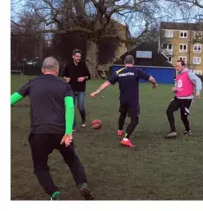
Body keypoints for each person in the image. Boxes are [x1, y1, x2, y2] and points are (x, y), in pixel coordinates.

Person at [10, 57, 94, 200]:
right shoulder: (64, 86)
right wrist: (68, 132)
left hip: (39, 134)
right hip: (60, 132)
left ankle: (55, 194)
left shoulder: (32, 83)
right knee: (73, 160)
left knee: (40, 167)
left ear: (43, 70)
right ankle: (82, 185)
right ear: (57, 70)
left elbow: (11, 100)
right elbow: (69, 108)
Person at [90, 54, 158, 148]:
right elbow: (151, 78)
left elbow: (107, 83)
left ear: (124, 63)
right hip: (132, 101)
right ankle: (126, 139)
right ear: (133, 62)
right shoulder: (137, 70)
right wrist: (154, 84)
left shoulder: (119, 72)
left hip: (123, 99)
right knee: (135, 120)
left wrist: (97, 91)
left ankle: (120, 130)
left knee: (123, 114)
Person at [165, 59, 202, 138]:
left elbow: (198, 80)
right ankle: (173, 131)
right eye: (176, 66)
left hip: (187, 99)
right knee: (169, 111)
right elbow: (177, 86)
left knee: (183, 116)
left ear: (183, 66)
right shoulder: (178, 75)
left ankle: (188, 130)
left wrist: (198, 91)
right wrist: (175, 89)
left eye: (178, 66)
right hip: (178, 98)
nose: (176, 67)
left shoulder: (189, 73)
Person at [61, 49, 91, 132]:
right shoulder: (68, 65)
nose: (78, 58)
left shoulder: (83, 65)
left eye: (80, 57)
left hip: (81, 90)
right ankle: (73, 126)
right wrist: (66, 78)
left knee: (81, 107)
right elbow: (63, 75)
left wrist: (83, 78)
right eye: (77, 56)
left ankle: (83, 119)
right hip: (71, 90)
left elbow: (89, 76)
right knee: (71, 108)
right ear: (73, 56)